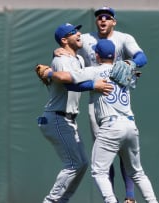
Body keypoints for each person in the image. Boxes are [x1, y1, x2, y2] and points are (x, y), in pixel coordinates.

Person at [38, 39, 158, 203]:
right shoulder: (126, 71)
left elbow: (66, 78)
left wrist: (49, 73)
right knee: (137, 173)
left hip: (111, 126)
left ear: (96, 55)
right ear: (115, 55)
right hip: (130, 125)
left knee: (99, 171)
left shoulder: (94, 71)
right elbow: (135, 71)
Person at [54, 6, 148, 203]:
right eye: (99, 17)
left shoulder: (123, 38)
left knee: (124, 153)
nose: (103, 20)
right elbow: (71, 46)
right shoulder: (87, 39)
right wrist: (60, 51)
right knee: (104, 153)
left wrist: (130, 64)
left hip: (118, 100)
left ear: (114, 21)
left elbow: (142, 57)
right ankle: (111, 197)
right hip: (96, 100)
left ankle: (129, 197)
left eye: (107, 17)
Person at [36, 23, 113, 203]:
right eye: (73, 32)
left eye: (78, 31)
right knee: (73, 164)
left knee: (82, 164)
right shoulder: (61, 59)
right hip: (57, 116)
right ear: (64, 40)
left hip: (67, 119)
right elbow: (69, 83)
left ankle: (61, 201)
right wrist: (94, 85)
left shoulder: (78, 59)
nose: (79, 34)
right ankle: (51, 201)